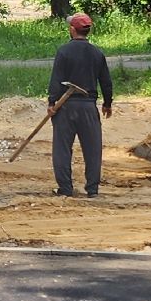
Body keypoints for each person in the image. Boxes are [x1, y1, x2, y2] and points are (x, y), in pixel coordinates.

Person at [47, 12, 112, 197]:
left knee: (62, 150)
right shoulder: (97, 53)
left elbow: (56, 79)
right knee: (93, 150)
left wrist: (52, 102)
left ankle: (65, 189)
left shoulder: (64, 51)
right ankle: (92, 190)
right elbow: (106, 81)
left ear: (72, 30)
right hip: (88, 107)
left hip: (65, 106)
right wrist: (107, 103)